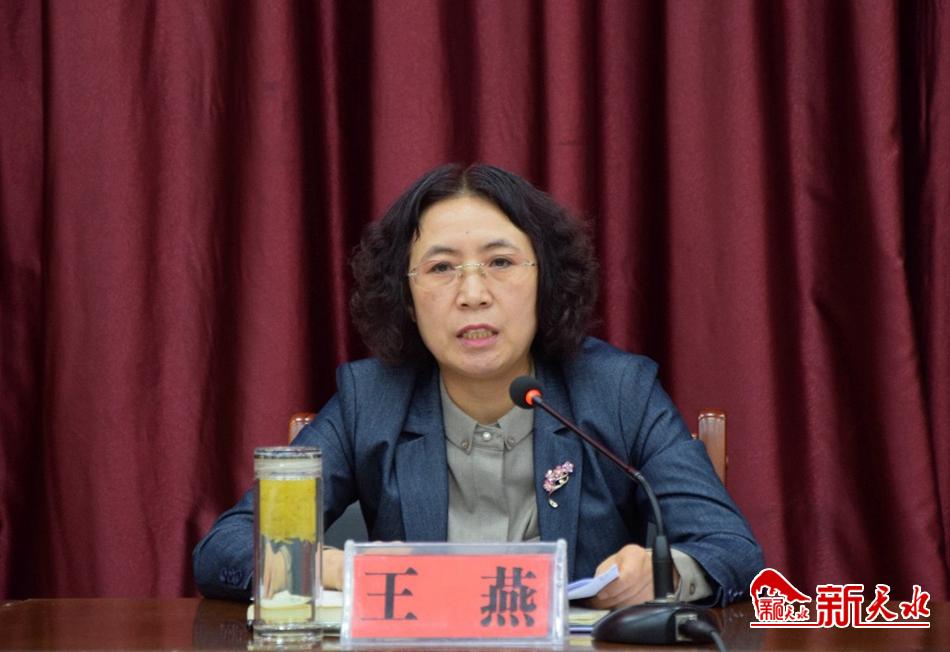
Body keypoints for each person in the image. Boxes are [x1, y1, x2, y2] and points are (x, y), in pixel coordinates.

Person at [193, 163, 763, 608]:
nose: (473, 295)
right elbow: (225, 549)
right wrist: (339, 567)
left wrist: (662, 577)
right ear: (406, 298)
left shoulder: (617, 392)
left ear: (545, 281)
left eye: (500, 263)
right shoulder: (372, 400)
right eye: (442, 268)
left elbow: (733, 551)